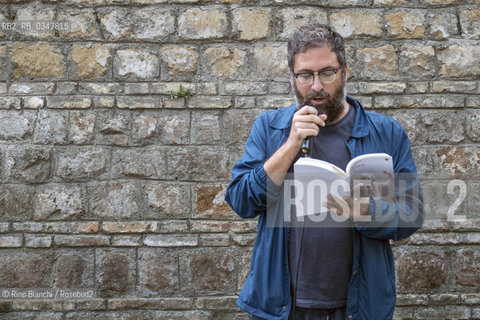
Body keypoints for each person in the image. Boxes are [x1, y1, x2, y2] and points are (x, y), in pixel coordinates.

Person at [225, 24, 424, 320]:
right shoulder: (270, 128)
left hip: (358, 306)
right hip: (283, 306)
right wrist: (290, 144)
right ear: (293, 76)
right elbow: (241, 201)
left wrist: (365, 210)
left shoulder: (387, 132)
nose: (316, 86)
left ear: (345, 72)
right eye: (305, 75)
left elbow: (412, 212)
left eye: (327, 73)